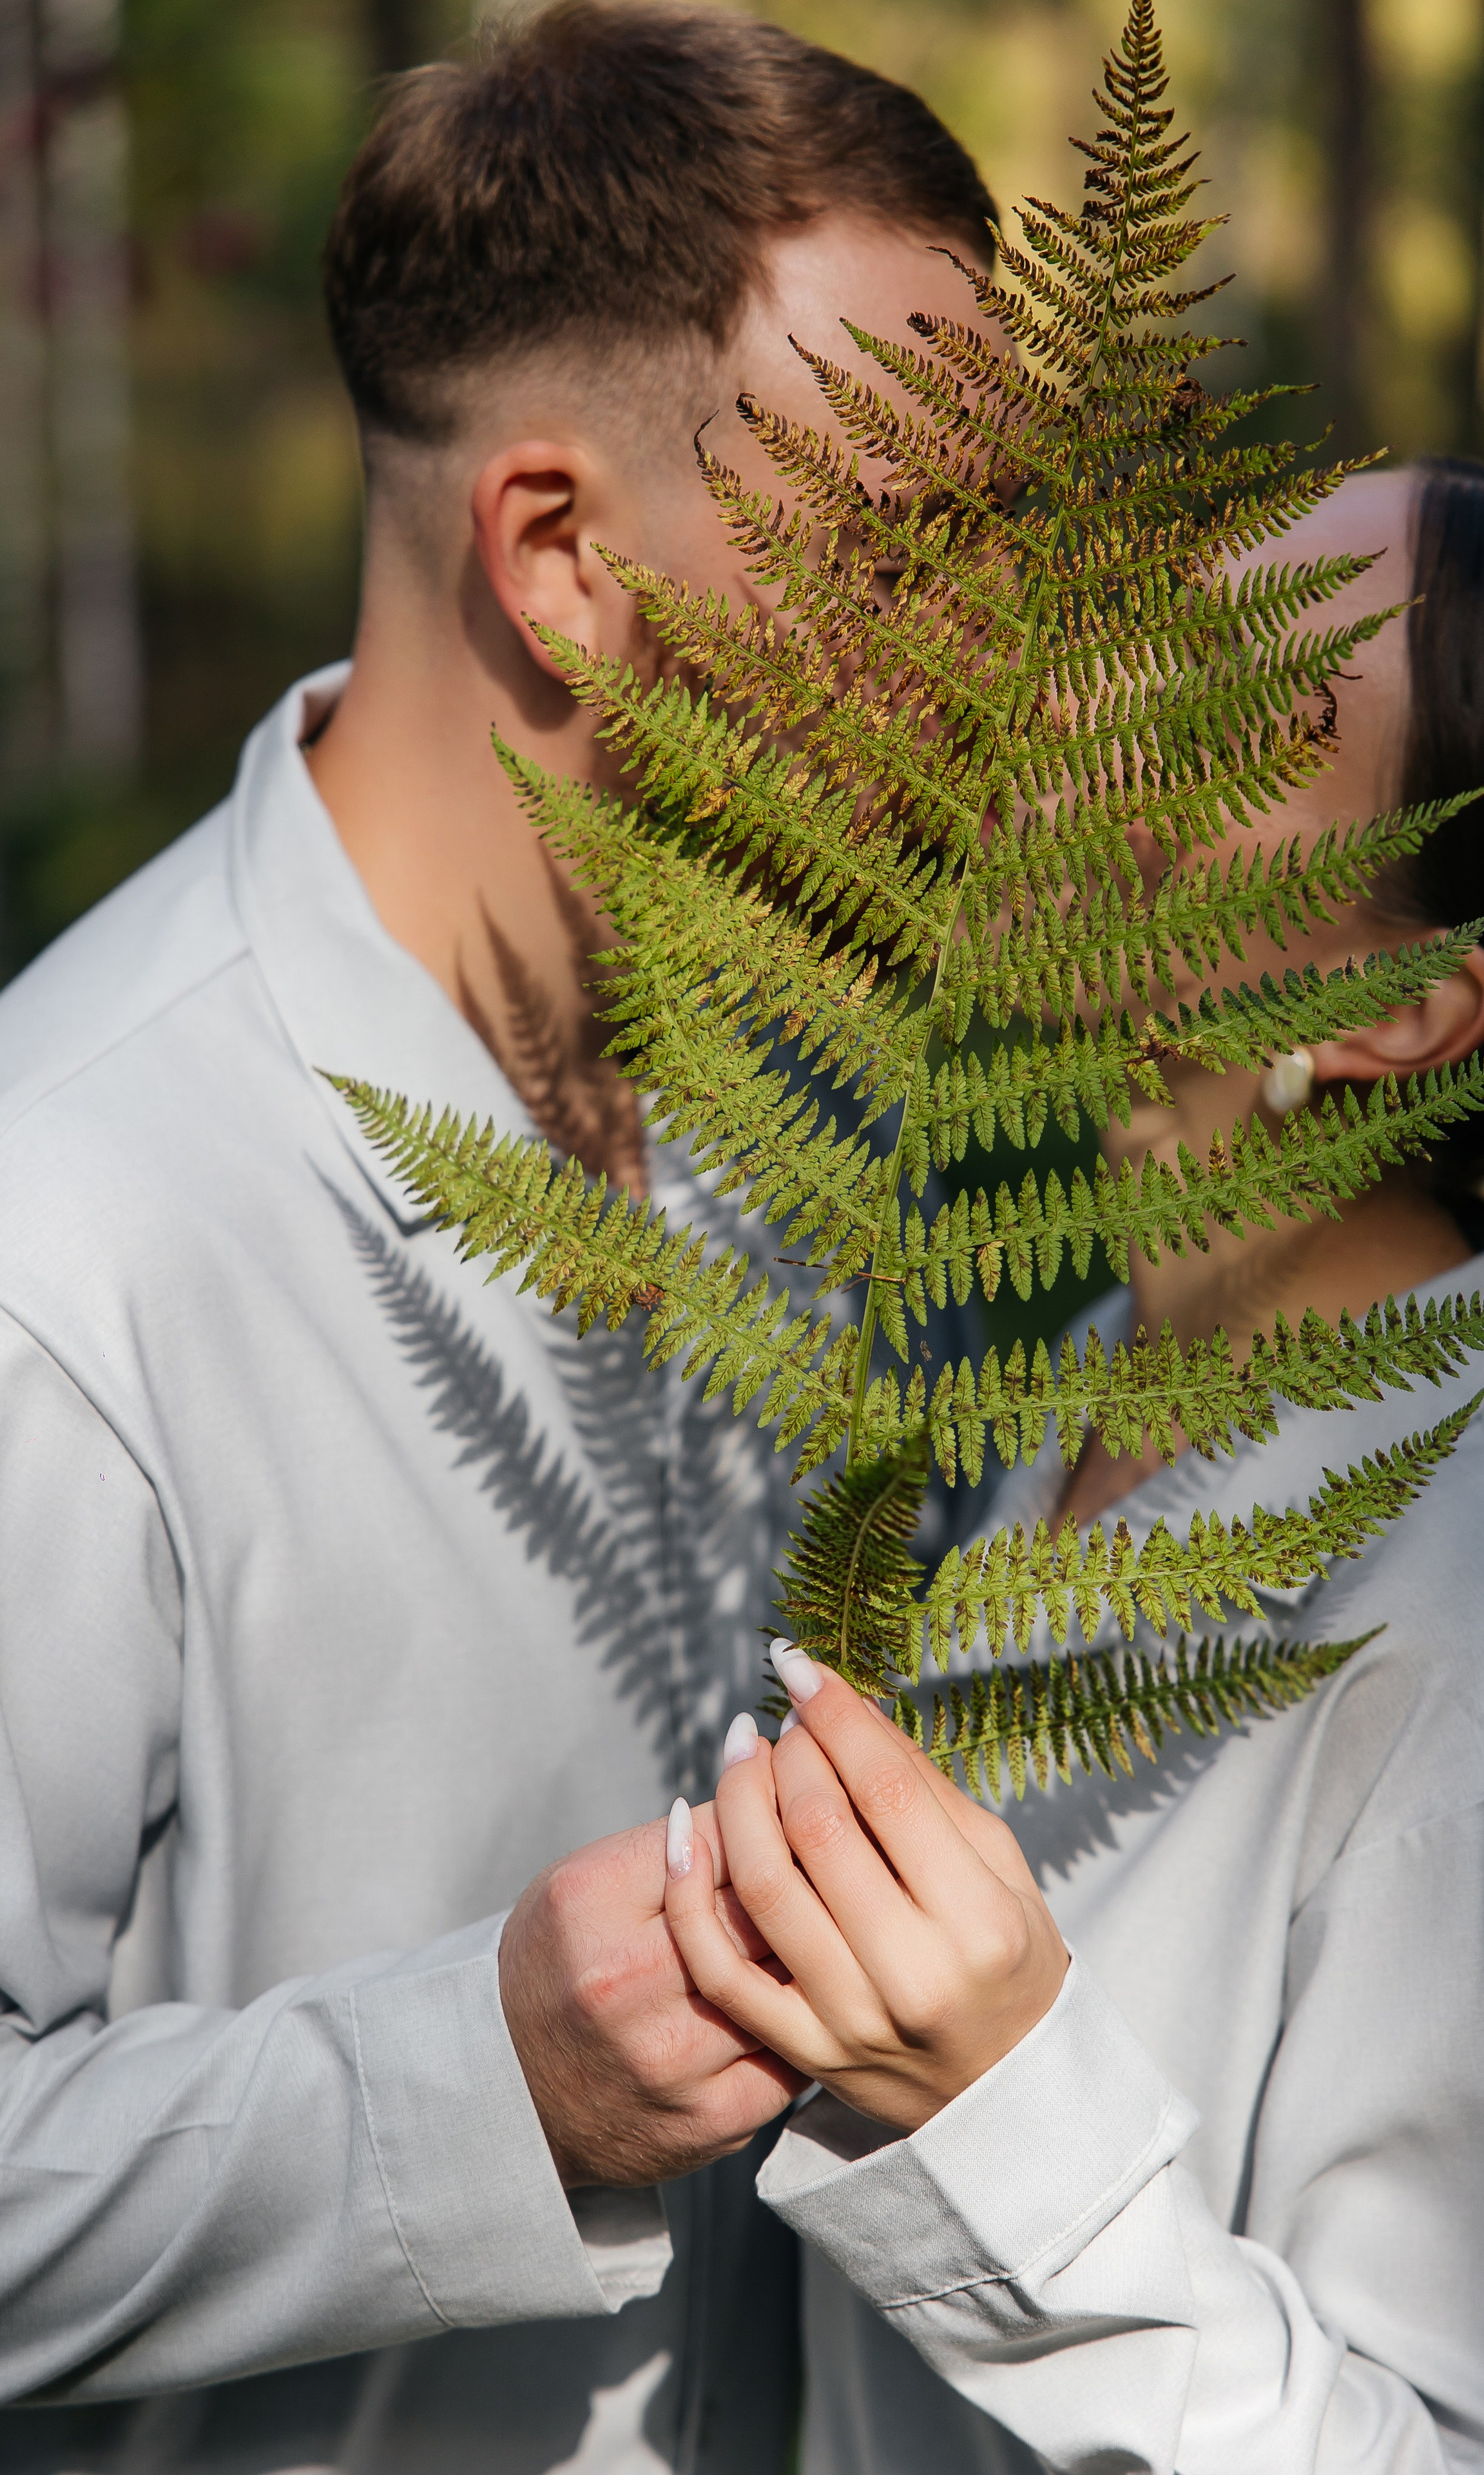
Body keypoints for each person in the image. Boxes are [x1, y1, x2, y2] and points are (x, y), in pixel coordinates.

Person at [0, 10, 998, 2469]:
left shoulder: (853, 1089)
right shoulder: (67, 1228)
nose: (1000, 657)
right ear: (557, 555)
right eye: (909, 552)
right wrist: (491, 2082)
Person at [662, 460, 1484, 2472]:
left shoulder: (1481, 1663)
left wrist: (1001, 2116)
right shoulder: (1080, 1376)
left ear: (1391, 1005)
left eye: (1262, 701)